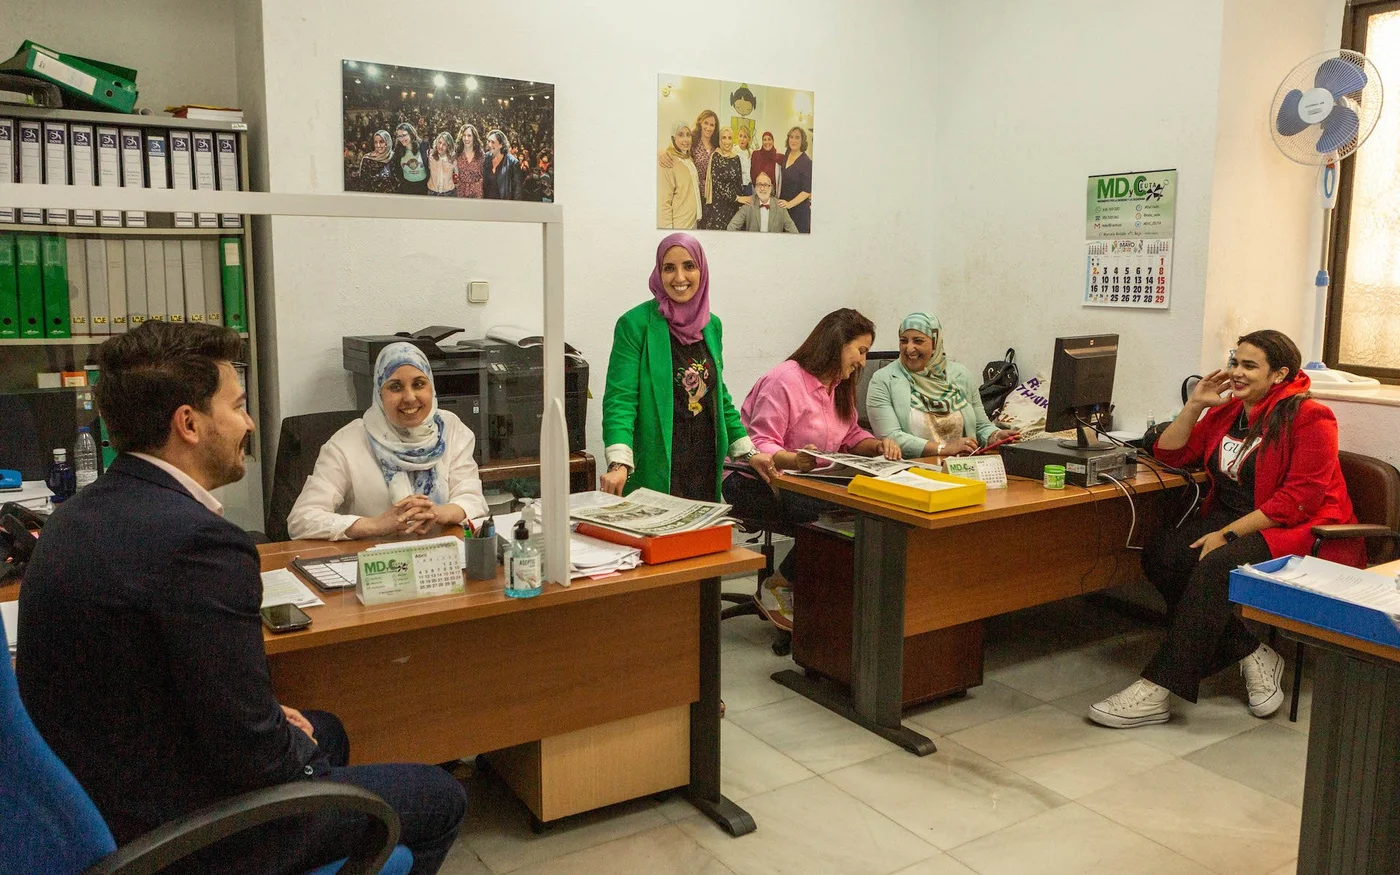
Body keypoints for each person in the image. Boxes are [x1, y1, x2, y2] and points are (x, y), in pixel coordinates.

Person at [15, 321, 467, 875]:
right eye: (238, 405)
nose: (250, 423)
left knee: (327, 729)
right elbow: (254, 754)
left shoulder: (75, 514)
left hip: (102, 788)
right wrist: (287, 748)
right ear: (189, 424)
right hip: (180, 830)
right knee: (440, 795)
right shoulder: (201, 545)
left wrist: (277, 728)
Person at [1089, 330, 1366, 729]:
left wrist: (1228, 534)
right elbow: (1170, 452)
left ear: (1279, 374)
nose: (1236, 372)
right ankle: (1253, 652)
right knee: (1163, 553)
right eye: (1235, 361)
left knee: (1216, 565)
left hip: (1302, 529)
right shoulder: (1227, 413)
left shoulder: (1311, 417)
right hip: (1237, 521)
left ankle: (1158, 687)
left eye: (1249, 365)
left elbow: (1298, 500)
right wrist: (1195, 405)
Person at [723, 309, 900, 624]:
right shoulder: (785, 380)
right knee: (836, 518)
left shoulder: (838, 386)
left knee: (866, 510)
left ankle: (822, 604)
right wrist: (794, 459)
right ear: (837, 344)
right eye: (860, 350)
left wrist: (878, 446)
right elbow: (758, 444)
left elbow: (850, 434)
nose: (863, 361)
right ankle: (780, 584)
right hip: (752, 481)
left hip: (806, 482)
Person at [601, 233, 776, 501]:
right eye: (669, 268)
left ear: (702, 271)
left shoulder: (711, 325)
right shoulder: (635, 325)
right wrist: (618, 463)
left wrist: (750, 454)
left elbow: (718, 396)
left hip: (704, 464)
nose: (679, 278)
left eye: (689, 266)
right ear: (658, 272)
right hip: (658, 467)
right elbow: (620, 400)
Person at [288, 341, 489, 540]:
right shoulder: (346, 443)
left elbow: (472, 498)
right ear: (379, 394)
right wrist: (376, 525)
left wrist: (437, 513)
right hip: (374, 561)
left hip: (439, 559)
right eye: (396, 387)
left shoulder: (451, 429)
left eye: (419, 384)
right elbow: (302, 519)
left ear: (431, 388)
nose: (410, 397)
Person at [866, 312, 1017, 457]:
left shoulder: (961, 375)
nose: (909, 348)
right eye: (903, 341)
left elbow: (980, 426)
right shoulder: (883, 380)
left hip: (962, 467)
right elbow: (890, 438)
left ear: (935, 343)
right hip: (912, 470)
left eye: (918, 341)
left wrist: (995, 436)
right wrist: (943, 449)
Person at [657, 121, 701, 230]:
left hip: (693, 222)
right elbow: (663, 202)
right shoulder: (667, 162)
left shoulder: (689, 159)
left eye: (688, 135)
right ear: (673, 138)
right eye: (680, 135)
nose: (686, 139)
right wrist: (667, 230)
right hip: (679, 225)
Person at [701, 127, 745, 231]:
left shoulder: (736, 158)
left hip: (733, 207)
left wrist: (739, 202)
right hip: (718, 207)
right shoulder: (716, 156)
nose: (727, 141)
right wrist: (736, 198)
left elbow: (739, 183)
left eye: (729, 138)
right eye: (724, 138)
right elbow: (717, 184)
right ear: (720, 140)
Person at [727, 171, 798, 233]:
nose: (762, 188)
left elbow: (794, 232)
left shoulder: (780, 206)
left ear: (771, 188)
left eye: (766, 185)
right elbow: (731, 227)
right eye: (759, 184)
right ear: (755, 188)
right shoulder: (748, 202)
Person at [778, 126, 813, 233]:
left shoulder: (807, 162)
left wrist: (789, 204)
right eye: (791, 137)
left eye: (797, 137)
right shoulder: (787, 153)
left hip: (799, 210)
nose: (793, 140)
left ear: (802, 141)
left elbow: (807, 191)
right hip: (784, 207)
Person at [392, 122, 431, 195]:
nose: (402, 138)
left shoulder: (423, 145)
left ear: (411, 134)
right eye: (399, 136)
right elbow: (397, 169)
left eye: (404, 135)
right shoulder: (398, 150)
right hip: (407, 187)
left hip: (423, 186)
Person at [483, 129, 522, 200]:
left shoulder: (513, 163)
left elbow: (517, 191)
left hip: (504, 205)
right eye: (488, 141)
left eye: (493, 142)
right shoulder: (485, 158)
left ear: (501, 144)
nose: (489, 145)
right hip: (486, 203)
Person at [358, 129, 395, 194]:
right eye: (375, 142)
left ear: (387, 142)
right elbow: (363, 184)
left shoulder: (394, 158)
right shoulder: (367, 159)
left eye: (381, 142)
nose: (378, 145)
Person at [453, 123, 485, 198]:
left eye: (469, 135)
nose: (466, 138)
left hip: (477, 193)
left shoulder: (481, 154)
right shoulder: (457, 153)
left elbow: (484, 174)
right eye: (464, 135)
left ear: (474, 137)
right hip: (461, 192)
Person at [427, 131, 457, 196]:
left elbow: (457, 175)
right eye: (439, 142)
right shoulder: (430, 156)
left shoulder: (453, 159)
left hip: (449, 193)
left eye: (444, 144)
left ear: (449, 146)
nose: (441, 146)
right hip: (432, 192)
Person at [734, 126, 754, 196]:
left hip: (747, 186)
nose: (742, 139)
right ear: (737, 137)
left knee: (747, 206)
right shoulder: (733, 150)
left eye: (745, 137)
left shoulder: (751, 152)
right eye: (740, 136)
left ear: (749, 139)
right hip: (736, 185)